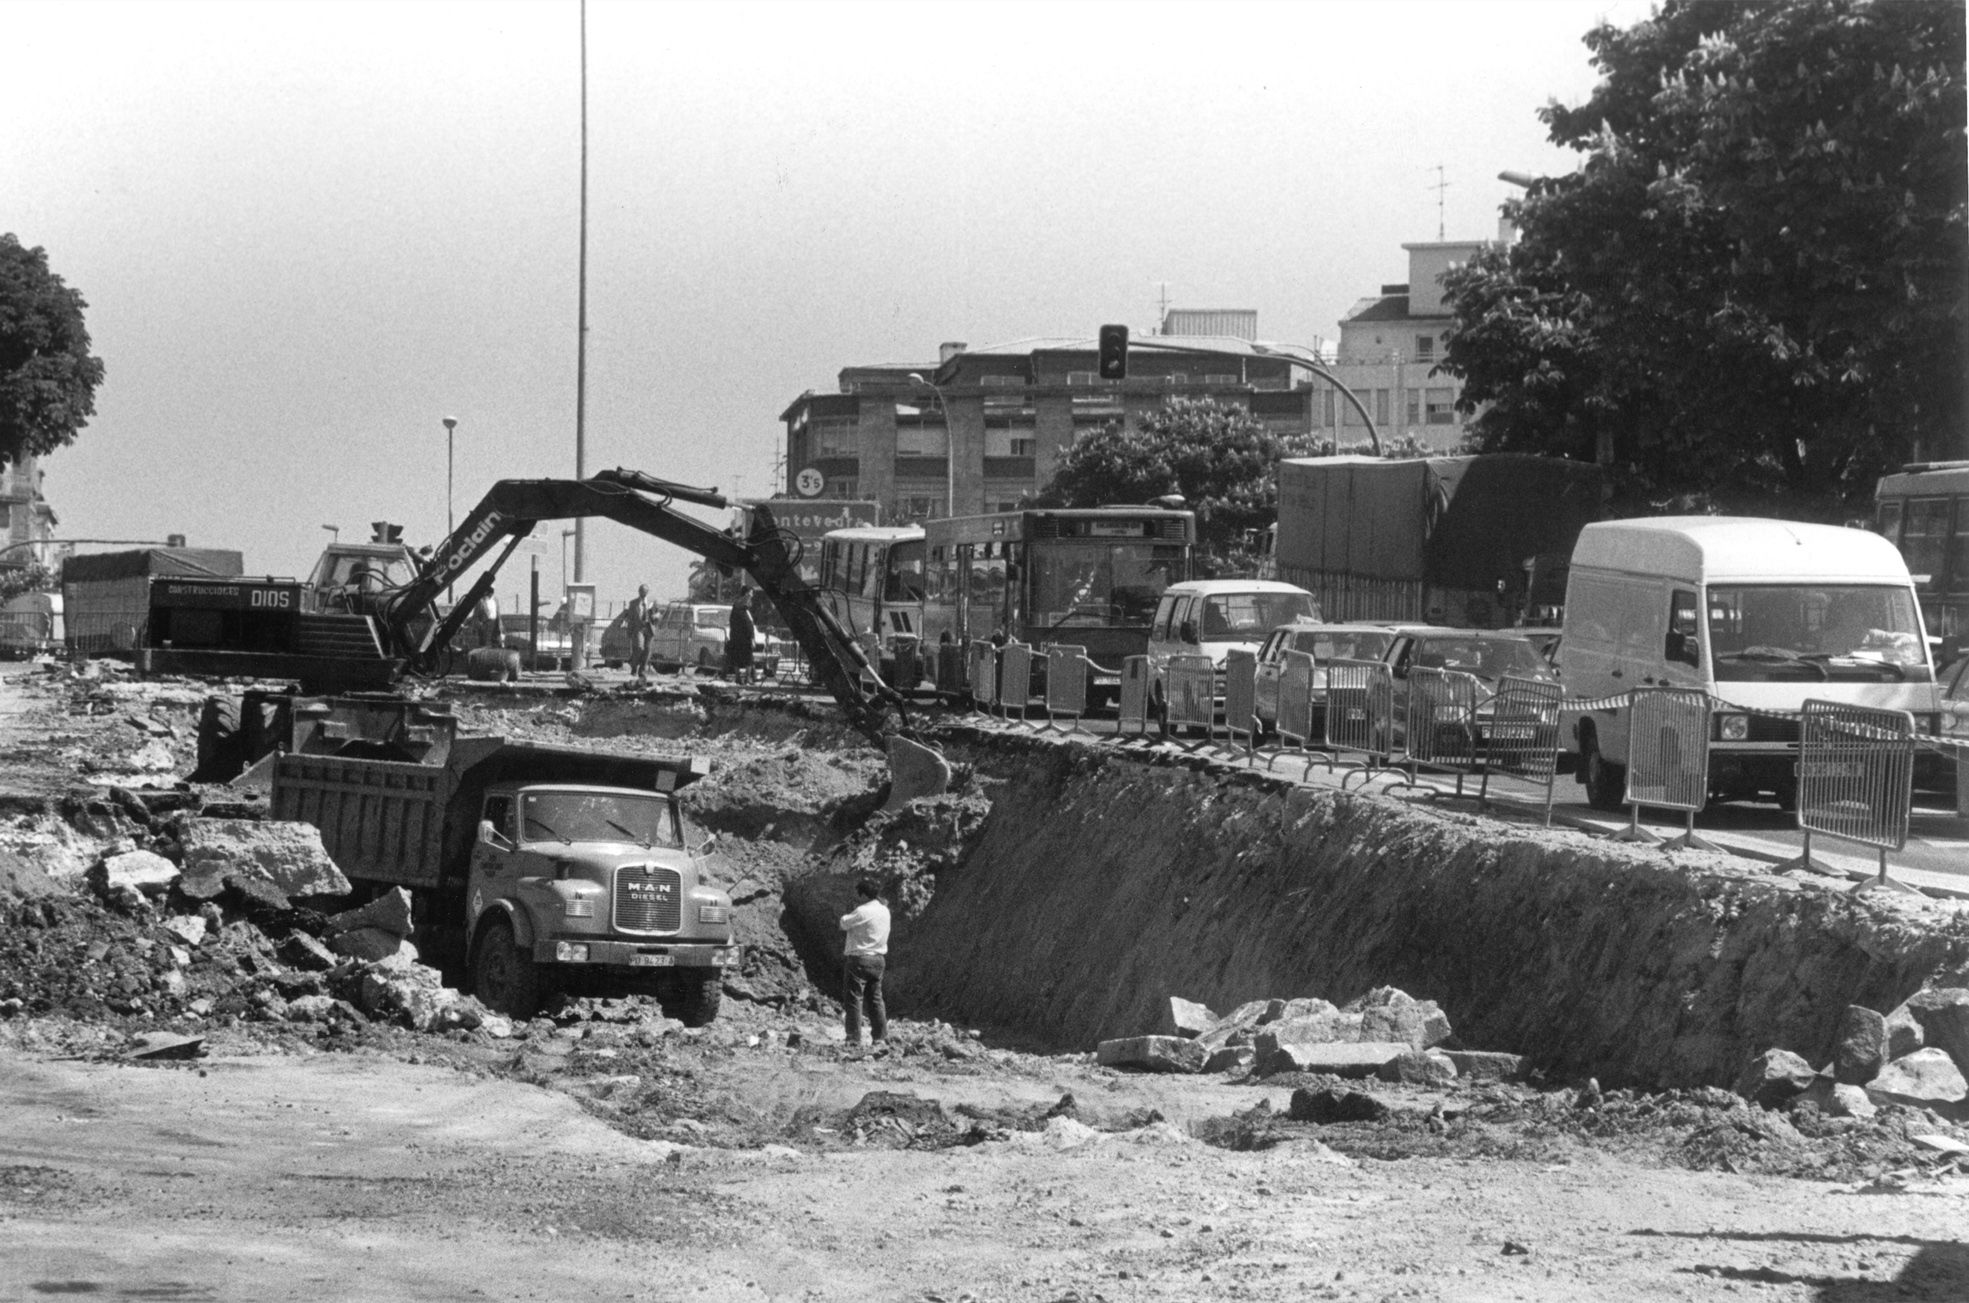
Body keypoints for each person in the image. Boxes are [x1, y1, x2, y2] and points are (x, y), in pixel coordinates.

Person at [838, 876, 889, 1046]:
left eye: (859, 894)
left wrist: (851, 910)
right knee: (876, 999)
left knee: (854, 998)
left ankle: (853, 1039)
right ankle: (880, 1038)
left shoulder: (862, 911)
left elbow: (843, 923)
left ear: (864, 895)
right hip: (878, 960)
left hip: (859, 960)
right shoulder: (885, 910)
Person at [726, 588, 757, 684]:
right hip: (743, 637)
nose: (751, 596)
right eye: (750, 594)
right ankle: (746, 678)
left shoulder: (738, 608)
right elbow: (748, 624)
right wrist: (752, 638)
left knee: (738, 657)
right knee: (748, 658)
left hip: (736, 636)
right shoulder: (741, 608)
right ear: (746, 594)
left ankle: (739, 677)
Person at [627, 584, 654, 683]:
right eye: (642, 591)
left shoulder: (652, 602)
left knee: (647, 650)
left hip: (649, 628)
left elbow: (659, 615)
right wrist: (629, 631)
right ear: (639, 591)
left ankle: (642, 671)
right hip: (638, 628)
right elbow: (630, 619)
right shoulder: (633, 603)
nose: (643, 593)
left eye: (645, 591)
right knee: (639, 648)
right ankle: (634, 666)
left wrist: (655, 617)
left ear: (648, 592)